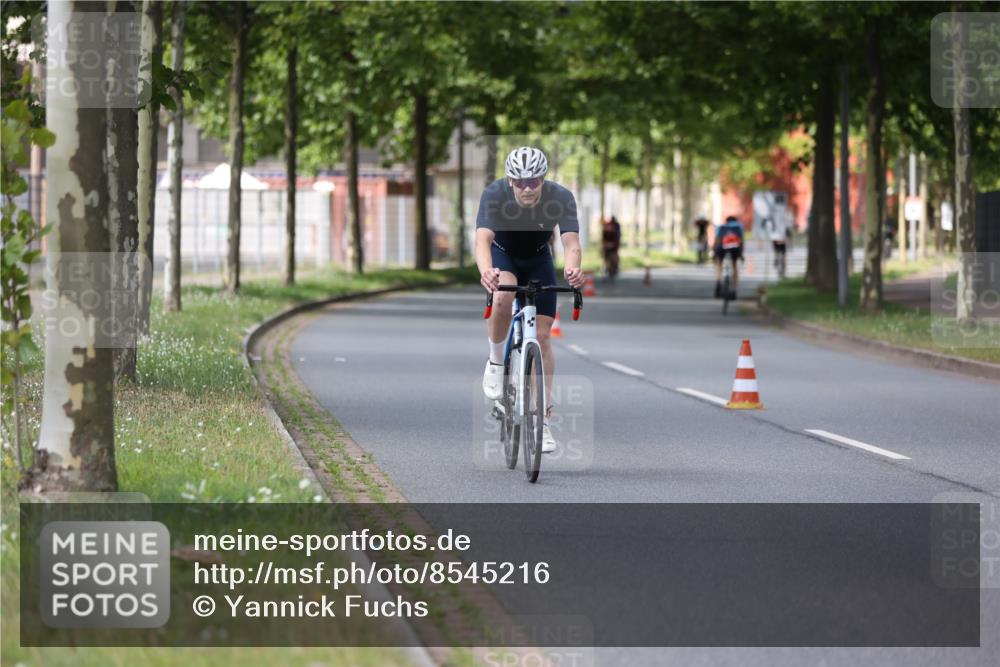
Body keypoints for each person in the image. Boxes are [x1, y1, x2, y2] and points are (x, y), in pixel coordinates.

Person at [477, 147, 585, 453]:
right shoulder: (495, 193)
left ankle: (542, 421)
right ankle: (496, 362)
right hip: (503, 255)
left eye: (534, 181)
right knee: (502, 294)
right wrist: (487, 271)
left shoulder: (560, 197)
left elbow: (571, 242)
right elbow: (482, 239)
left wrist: (573, 269)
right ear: (510, 179)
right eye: (520, 181)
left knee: (542, 337)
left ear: (543, 178)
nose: (527, 188)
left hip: (539, 259)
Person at [713, 215, 745, 298]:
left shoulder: (722, 227)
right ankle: (733, 290)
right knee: (734, 265)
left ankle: (718, 282)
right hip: (735, 248)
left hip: (722, 248)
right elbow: (741, 241)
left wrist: (714, 253)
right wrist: (741, 254)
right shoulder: (739, 227)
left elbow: (717, 240)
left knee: (719, 263)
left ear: (726, 221)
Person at [601, 215, 621, 281]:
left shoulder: (614, 226)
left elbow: (617, 237)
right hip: (610, 246)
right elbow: (604, 236)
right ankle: (608, 268)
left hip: (613, 246)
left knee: (613, 258)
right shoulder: (610, 226)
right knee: (608, 258)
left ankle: (614, 268)